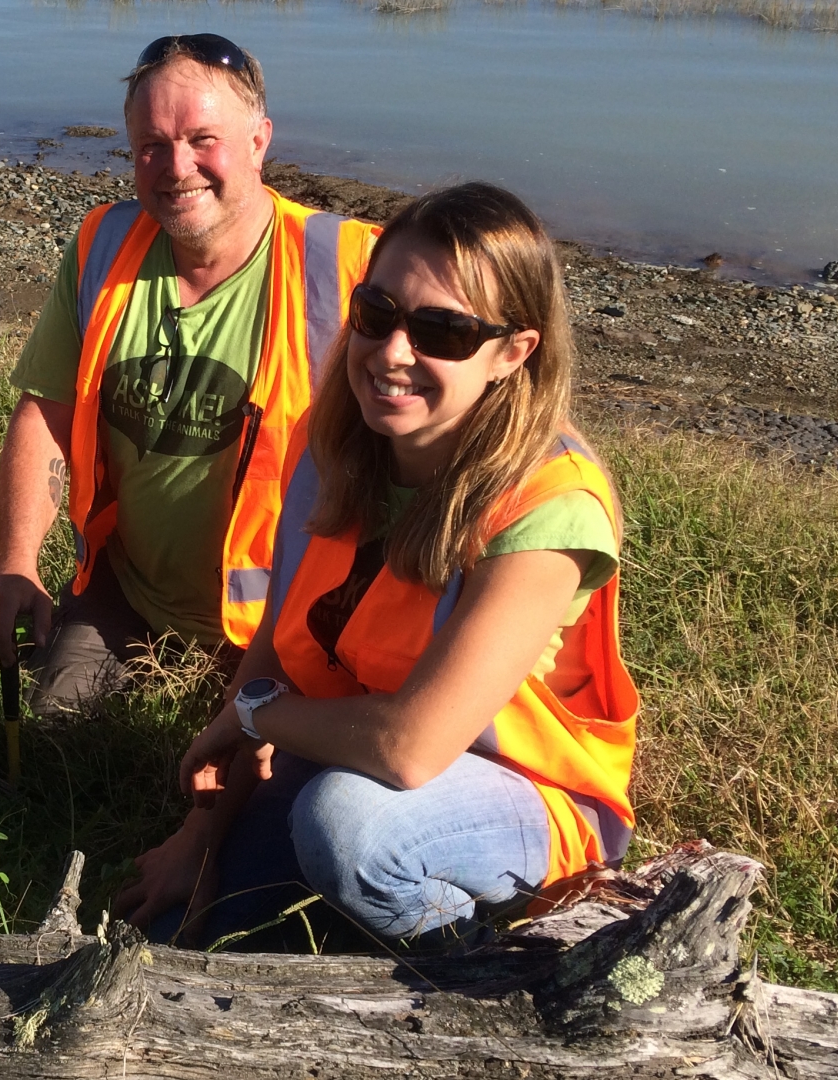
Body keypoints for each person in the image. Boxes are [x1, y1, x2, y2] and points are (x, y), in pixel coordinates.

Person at [113, 182, 640, 951]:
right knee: (178, 940)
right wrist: (200, 837)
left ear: (512, 352)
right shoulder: (329, 447)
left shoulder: (550, 505)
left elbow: (411, 748)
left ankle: (474, 977)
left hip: (520, 798)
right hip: (344, 754)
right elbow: (278, 646)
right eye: (377, 314)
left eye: (444, 332)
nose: (394, 353)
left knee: (348, 831)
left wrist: (254, 717)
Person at [0, 34, 380, 715]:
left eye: (202, 139)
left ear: (258, 139)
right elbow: (47, 414)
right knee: (54, 744)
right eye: (152, 146)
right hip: (127, 594)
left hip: (291, 620)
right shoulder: (103, 246)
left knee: (251, 801)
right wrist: (15, 562)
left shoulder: (351, 269)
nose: (177, 167)